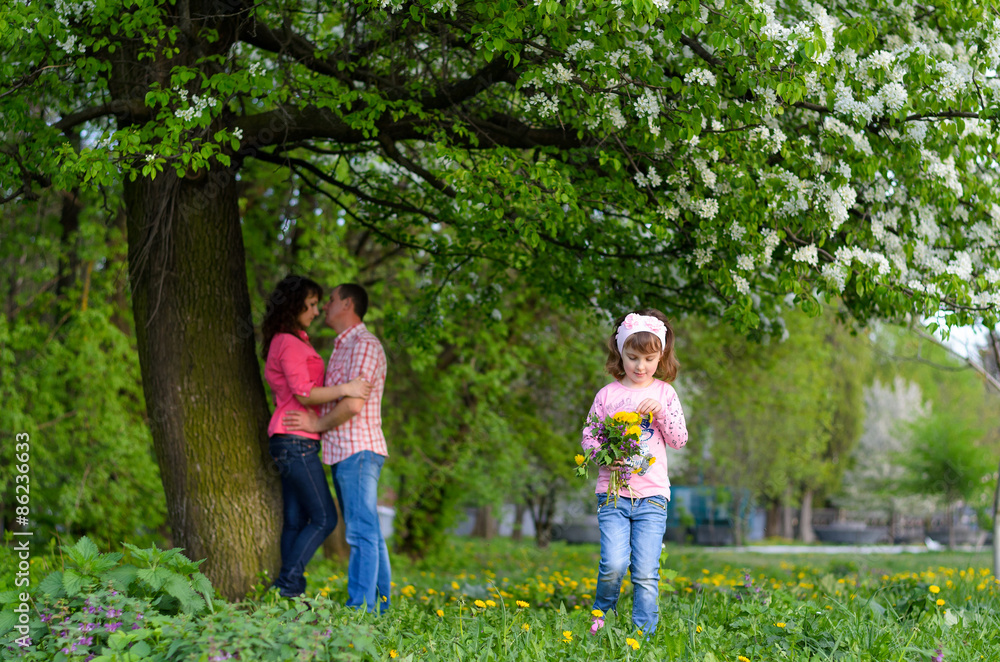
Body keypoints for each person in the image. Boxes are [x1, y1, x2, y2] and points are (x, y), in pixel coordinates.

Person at [261, 275, 372, 599]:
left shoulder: (295, 339)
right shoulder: (287, 341)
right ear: (294, 305)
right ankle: (286, 585)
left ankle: (290, 593)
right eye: (310, 305)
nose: (315, 310)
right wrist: (348, 389)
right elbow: (305, 393)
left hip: (293, 439)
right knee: (325, 517)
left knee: (296, 520)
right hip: (294, 439)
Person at [283, 283, 390, 614]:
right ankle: (380, 606)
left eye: (329, 301)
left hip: (358, 451)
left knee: (360, 534)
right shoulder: (343, 346)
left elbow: (354, 403)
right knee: (368, 532)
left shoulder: (364, 344)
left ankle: (361, 609)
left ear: (347, 304)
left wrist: (315, 426)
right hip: (345, 452)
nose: (323, 307)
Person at [582, 308, 688, 637]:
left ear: (661, 358)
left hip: (653, 496)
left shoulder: (664, 394)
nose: (640, 367)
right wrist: (603, 457)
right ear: (620, 354)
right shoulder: (608, 395)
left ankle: (643, 637)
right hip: (613, 495)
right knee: (613, 564)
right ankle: (603, 618)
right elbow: (589, 437)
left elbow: (679, 439)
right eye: (632, 357)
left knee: (644, 571)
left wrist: (661, 414)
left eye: (648, 359)